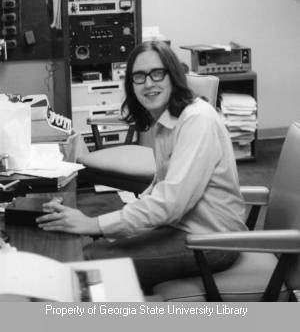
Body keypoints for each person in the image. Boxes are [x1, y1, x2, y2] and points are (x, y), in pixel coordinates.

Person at [36, 41, 247, 294]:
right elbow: (160, 189)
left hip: (213, 242)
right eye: (139, 76)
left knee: (88, 261)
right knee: (97, 246)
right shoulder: (166, 120)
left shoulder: (197, 121)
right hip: (182, 228)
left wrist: (94, 223)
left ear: (173, 76)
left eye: (157, 73)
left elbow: (169, 204)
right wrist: (112, 225)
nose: (148, 83)